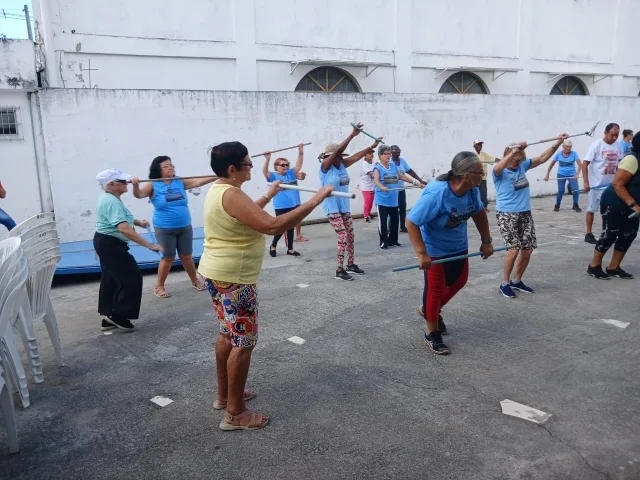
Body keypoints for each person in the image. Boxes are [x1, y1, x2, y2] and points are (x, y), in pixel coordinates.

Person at [198, 141, 334, 431]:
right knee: (243, 342)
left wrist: (267, 194)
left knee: (227, 334)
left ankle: (225, 396)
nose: (251, 167)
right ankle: (235, 413)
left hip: (217, 273)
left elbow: (243, 216)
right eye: (247, 164)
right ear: (232, 169)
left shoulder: (220, 189)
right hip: (234, 278)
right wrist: (314, 201)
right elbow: (272, 226)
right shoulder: (232, 193)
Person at [406, 152, 494, 355]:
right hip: (435, 250)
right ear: (466, 175)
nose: (482, 176)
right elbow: (411, 222)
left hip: (458, 245)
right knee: (435, 291)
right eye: (480, 173)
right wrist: (421, 253)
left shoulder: (472, 190)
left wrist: (486, 241)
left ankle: (429, 310)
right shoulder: (437, 194)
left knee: (459, 281)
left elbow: (479, 214)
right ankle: (432, 333)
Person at [493, 134, 568, 299]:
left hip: (525, 213)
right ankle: (504, 283)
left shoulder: (521, 166)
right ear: (508, 155)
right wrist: (514, 151)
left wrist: (558, 143)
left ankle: (516, 280)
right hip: (506, 214)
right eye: (514, 159)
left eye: (520, 159)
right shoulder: (499, 171)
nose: (517, 162)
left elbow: (542, 158)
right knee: (513, 250)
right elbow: (498, 168)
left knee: (527, 250)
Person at [133, 155, 217, 298]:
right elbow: (139, 195)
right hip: (164, 228)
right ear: (158, 170)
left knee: (186, 256)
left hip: (184, 226)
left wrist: (218, 175)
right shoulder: (153, 184)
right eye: (166, 166)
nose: (170, 167)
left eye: (171, 165)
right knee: (168, 257)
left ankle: (194, 280)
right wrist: (135, 185)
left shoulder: (179, 181)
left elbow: (198, 181)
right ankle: (159, 286)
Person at [93, 168, 163, 331]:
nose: (127, 183)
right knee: (131, 277)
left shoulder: (110, 197)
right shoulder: (110, 201)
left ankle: (109, 315)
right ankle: (118, 315)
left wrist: (138, 222)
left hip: (106, 242)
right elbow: (123, 228)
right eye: (122, 181)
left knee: (112, 278)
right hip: (110, 244)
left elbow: (120, 217)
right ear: (111, 185)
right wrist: (150, 245)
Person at [319, 123, 381, 281]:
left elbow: (357, 156)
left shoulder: (342, 165)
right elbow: (338, 151)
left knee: (350, 236)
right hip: (332, 208)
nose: (341, 157)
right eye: (337, 155)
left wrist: (371, 147)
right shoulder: (325, 167)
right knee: (342, 236)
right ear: (329, 157)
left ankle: (350, 264)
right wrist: (352, 135)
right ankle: (339, 270)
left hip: (344, 207)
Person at [587, 132, 640, 280]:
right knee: (610, 233)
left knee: (628, 235)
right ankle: (594, 266)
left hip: (632, 205)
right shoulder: (631, 159)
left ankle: (613, 267)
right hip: (614, 203)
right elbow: (617, 184)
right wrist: (633, 204)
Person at [374, 145, 423, 249]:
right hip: (382, 199)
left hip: (393, 199)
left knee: (395, 220)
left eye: (389, 154)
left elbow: (401, 176)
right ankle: (383, 241)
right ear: (380, 156)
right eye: (386, 154)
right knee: (382, 221)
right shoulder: (377, 168)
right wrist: (382, 187)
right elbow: (376, 181)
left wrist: (415, 182)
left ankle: (393, 240)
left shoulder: (393, 166)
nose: (388, 156)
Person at [261, 144, 306, 257]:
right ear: (276, 167)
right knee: (281, 227)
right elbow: (265, 172)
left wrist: (300, 152)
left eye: (287, 165)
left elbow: (298, 165)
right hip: (281, 205)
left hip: (294, 204)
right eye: (282, 165)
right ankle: (274, 245)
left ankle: (290, 249)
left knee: (291, 226)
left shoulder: (291, 173)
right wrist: (267, 159)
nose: (285, 167)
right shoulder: (273, 176)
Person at [582, 123, 624, 244]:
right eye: (612, 135)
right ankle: (588, 234)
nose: (614, 138)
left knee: (611, 210)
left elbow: (621, 163)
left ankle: (607, 233)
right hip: (596, 185)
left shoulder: (618, 145)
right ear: (605, 133)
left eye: (616, 135)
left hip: (611, 185)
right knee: (591, 209)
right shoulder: (596, 145)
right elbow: (585, 164)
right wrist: (586, 182)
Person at [390, 145, 426, 232]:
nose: (398, 152)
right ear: (391, 152)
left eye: (399, 150)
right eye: (396, 150)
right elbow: (385, 179)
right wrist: (398, 178)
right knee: (392, 209)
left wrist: (420, 180)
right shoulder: (389, 162)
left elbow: (410, 171)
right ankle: (390, 228)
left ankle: (402, 226)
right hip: (392, 190)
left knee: (402, 208)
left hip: (401, 189)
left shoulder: (402, 161)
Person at [543, 139, 583, 212]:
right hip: (561, 175)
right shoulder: (558, 154)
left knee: (576, 190)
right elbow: (551, 164)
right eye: (567, 146)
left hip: (572, 175)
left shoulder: (574, 154)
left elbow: (580, 165)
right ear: (563, 146)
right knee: (561, 191)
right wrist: (547, 174)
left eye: (570, 147)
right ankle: (557, 205)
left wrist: (577, 174)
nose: (568, 148)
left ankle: (575, 205)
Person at [472, 140, 498, 212]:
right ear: (474, 146)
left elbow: (492, 158)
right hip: (474, 178)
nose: (480, 146)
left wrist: (502, 160)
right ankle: (474, 207)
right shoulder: (472, 155)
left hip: (483, 178)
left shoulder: (484, 155)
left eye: (481, 145)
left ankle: (484, 207)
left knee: (483, 193)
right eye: (478, 144)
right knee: (474, 192)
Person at [360, 151, 375, 223]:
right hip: (365, 186)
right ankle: (366, 216)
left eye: (372, 153)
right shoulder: (364, 164)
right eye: (369, 153)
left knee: (371, 201)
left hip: (372, 185)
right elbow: (370, 174)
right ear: (365, 156)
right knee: (367, 201)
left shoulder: (373, 163)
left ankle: (369, 213)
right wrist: (379, 176)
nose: (371, 155)